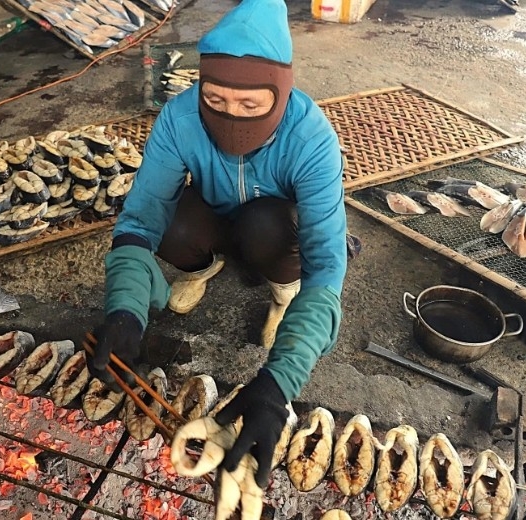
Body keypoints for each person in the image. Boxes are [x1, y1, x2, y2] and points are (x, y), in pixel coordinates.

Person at [88, 0, 351, 489]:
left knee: (265, 226)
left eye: (252, 105)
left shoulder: (311, 135)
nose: (232, 116)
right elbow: (141, 218)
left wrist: (281, 381)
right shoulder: (179, 118)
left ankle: (281, 293)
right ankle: (202, 267)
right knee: (170, 225)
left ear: (280, 93)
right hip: (211, 214)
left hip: (271, 228)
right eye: (216, 99)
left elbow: (327, 262)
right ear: (201, 87)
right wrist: (124, 308)